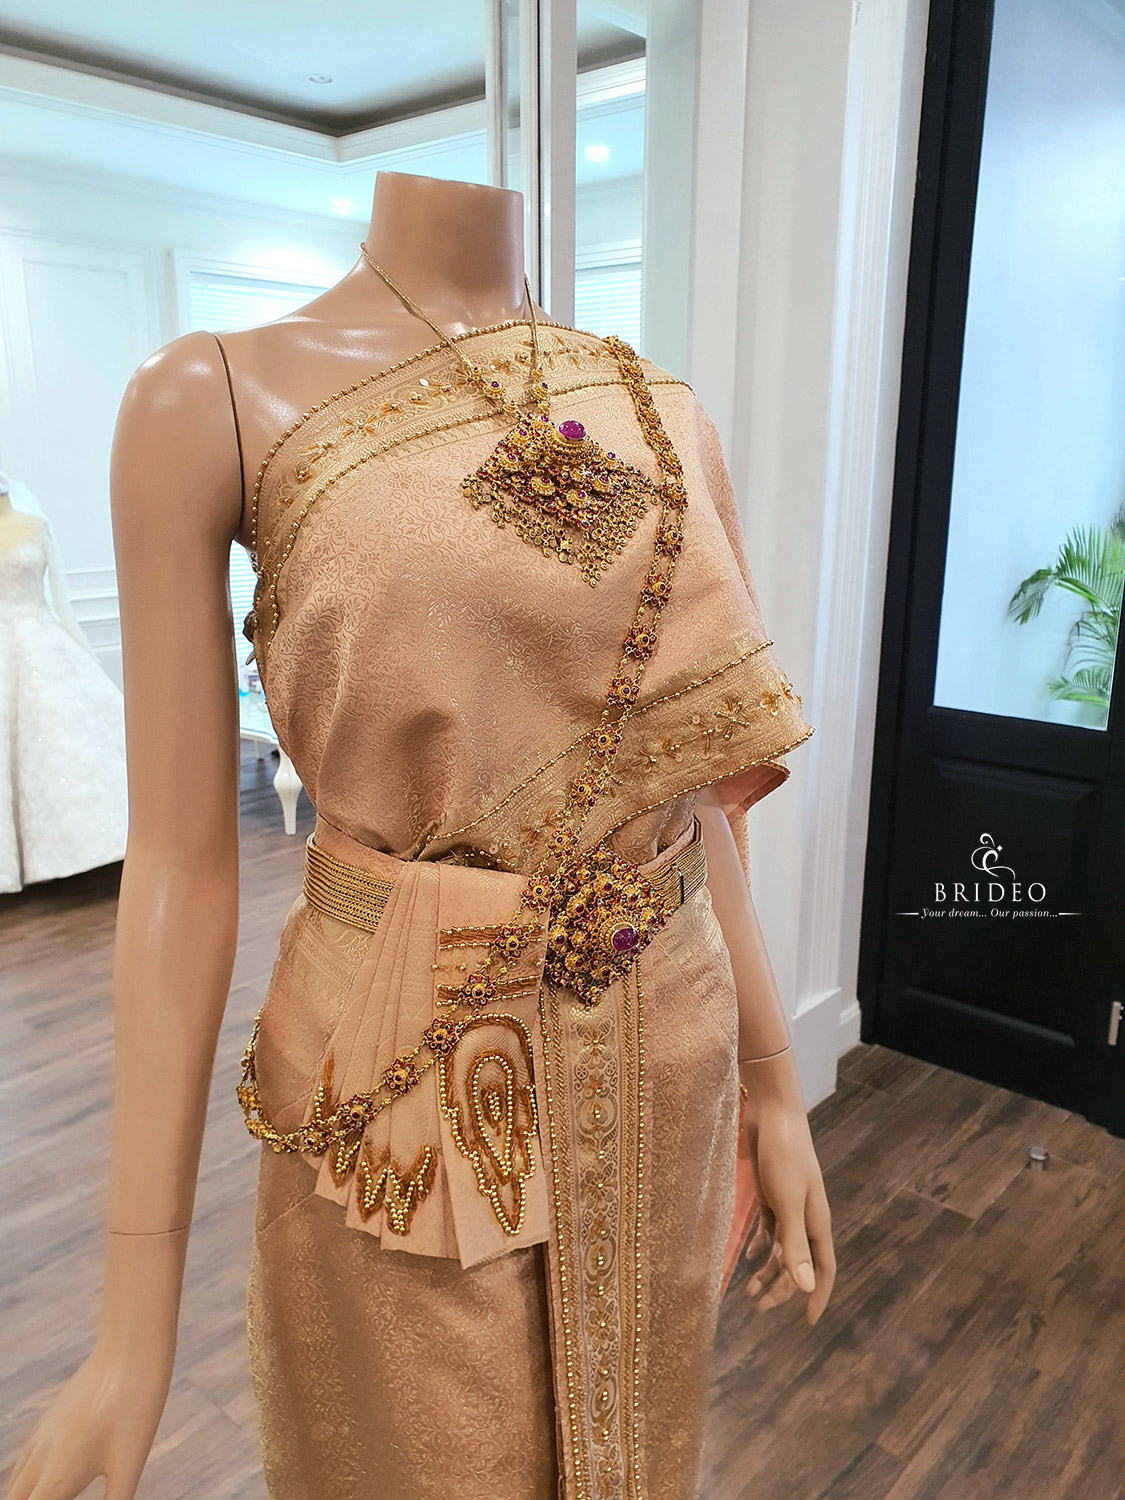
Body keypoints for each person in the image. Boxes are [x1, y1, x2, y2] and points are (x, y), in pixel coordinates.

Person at [5, 172, 834, 1500]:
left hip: (664, 1048)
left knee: (641, 1449)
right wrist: (131, 1321)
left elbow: (680, 786)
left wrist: (774, 1081)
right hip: (404, 1069)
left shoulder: (652, 408)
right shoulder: (212, 397)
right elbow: (178, 862)